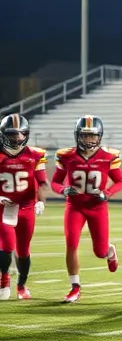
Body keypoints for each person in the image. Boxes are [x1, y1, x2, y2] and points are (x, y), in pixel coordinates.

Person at [50, 116, 122, 302]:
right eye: (85, 136)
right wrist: (63, 189)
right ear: (77, 136)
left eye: (93, 136)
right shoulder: (67, 156)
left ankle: (109, 250)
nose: (89, 140)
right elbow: (55, 182)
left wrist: (107, 193)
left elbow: (120, 181)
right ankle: (75, 287)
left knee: (100, 252)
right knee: (71, 244)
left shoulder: (108, 156)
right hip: (75, 207)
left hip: (97, 208)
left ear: (99, 137)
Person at [0, 114, 50, 300]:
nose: (18, 137)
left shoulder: (35, 154)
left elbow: (42, 182)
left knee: (24, 250)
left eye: (21, 134)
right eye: (13, 134)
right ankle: (4, 278)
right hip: (4, 208)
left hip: (26, 207)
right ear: (4, 134)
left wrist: (41, 201)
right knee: (6, 246)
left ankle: (21, 285)